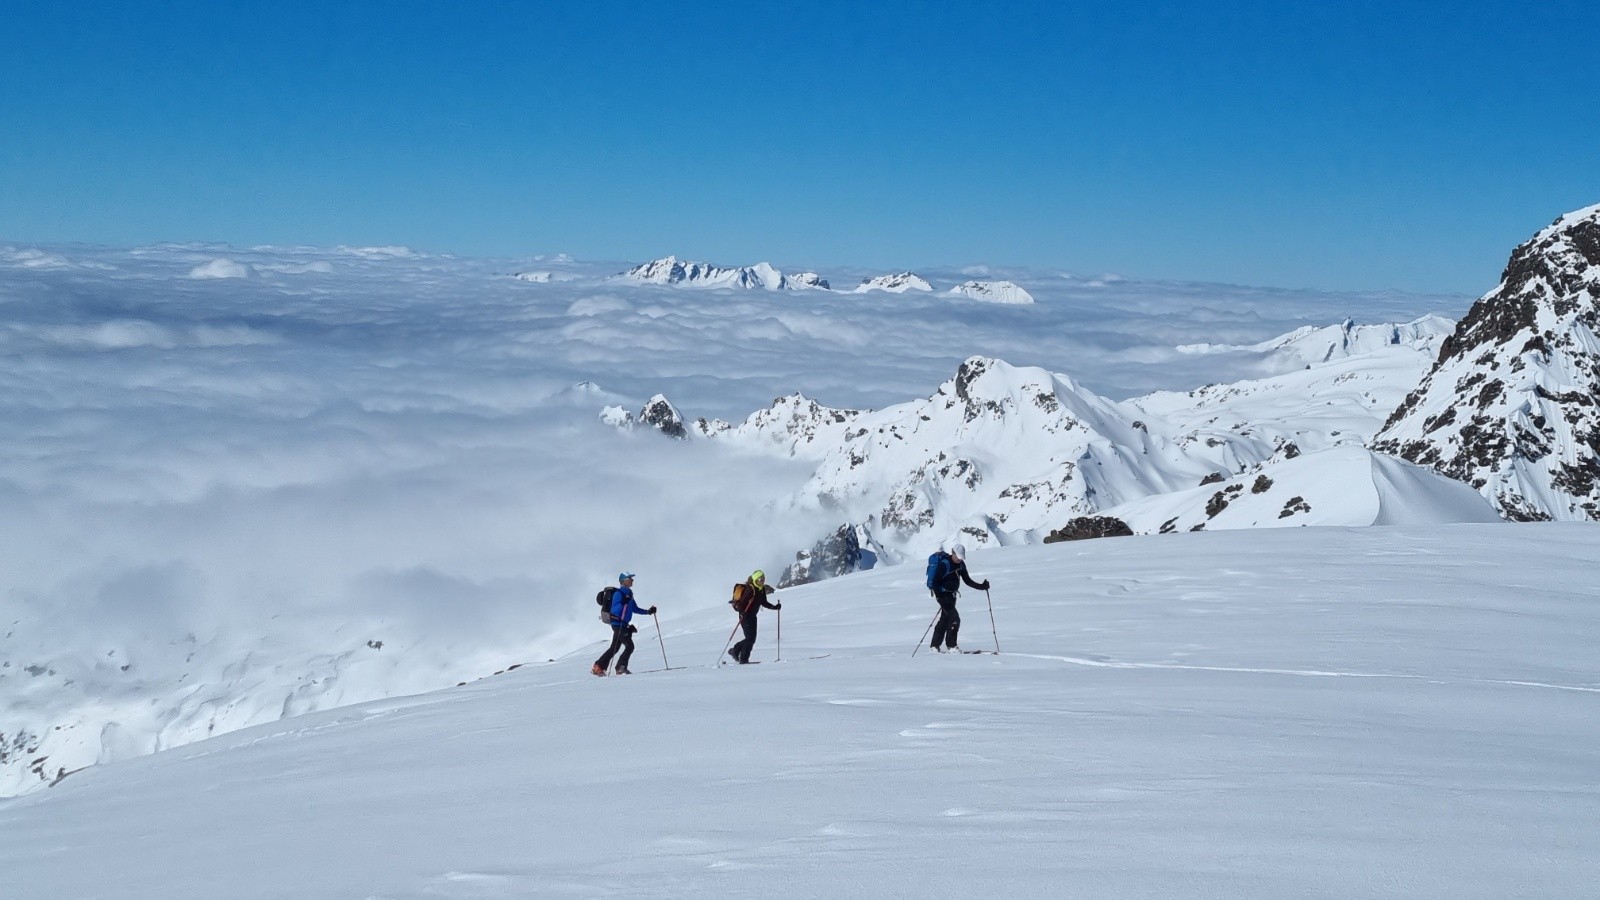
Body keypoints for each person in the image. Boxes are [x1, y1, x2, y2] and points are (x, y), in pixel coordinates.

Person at [592, 572, 656, 676]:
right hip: (618, 623)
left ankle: (598, 666)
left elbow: (634, 608)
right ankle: (620, 668)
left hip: (622, 624)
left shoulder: (629, 593)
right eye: (630, 578)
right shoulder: (619, 593)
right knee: (630, 646)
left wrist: (648, 612)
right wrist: (623, 603)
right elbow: (615, 609)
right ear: (624, 581)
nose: (632, 580)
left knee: (615, 648)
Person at [927, 544, 988, 653]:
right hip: (942, 595)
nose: (959, 559)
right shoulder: (944, 564)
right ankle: (952, 646)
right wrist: (940, 597)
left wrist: (982, 586)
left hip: (952, 596)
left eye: (961, 557)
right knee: (954, 618)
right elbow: (935, 582)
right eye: (957, 557)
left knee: (945, 620)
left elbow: (967, 581)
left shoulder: (961, 565)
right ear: (953, 553)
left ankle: (934, 646)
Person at [727, 569, 780, 664]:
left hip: (752, 616)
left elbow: (763, 602)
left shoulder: (761, 589)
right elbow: (741, 604)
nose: (762, 581)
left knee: (751, 638)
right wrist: (743, 613)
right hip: (745, 616)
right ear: (755, 580)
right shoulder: (750, 590)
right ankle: (743, 659)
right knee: (750, 639)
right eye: (760, 579)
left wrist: (774, 607)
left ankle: (735, 651)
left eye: (763, 579)